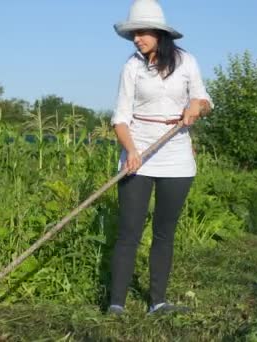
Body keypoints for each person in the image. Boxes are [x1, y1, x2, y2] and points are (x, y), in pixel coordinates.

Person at [108, 0, 213, 315]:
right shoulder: (132, 66)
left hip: (177, 155)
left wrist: (196, 107)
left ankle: (158, 302)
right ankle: (116, 304)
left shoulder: (186, 62)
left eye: (142, 32)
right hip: (138, 154)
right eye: (134, 33)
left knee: (164, 231)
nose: (137, 38)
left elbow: (205, 100)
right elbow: (120, 118)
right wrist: (132, 152)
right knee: (129, 231)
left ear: (159, 33)